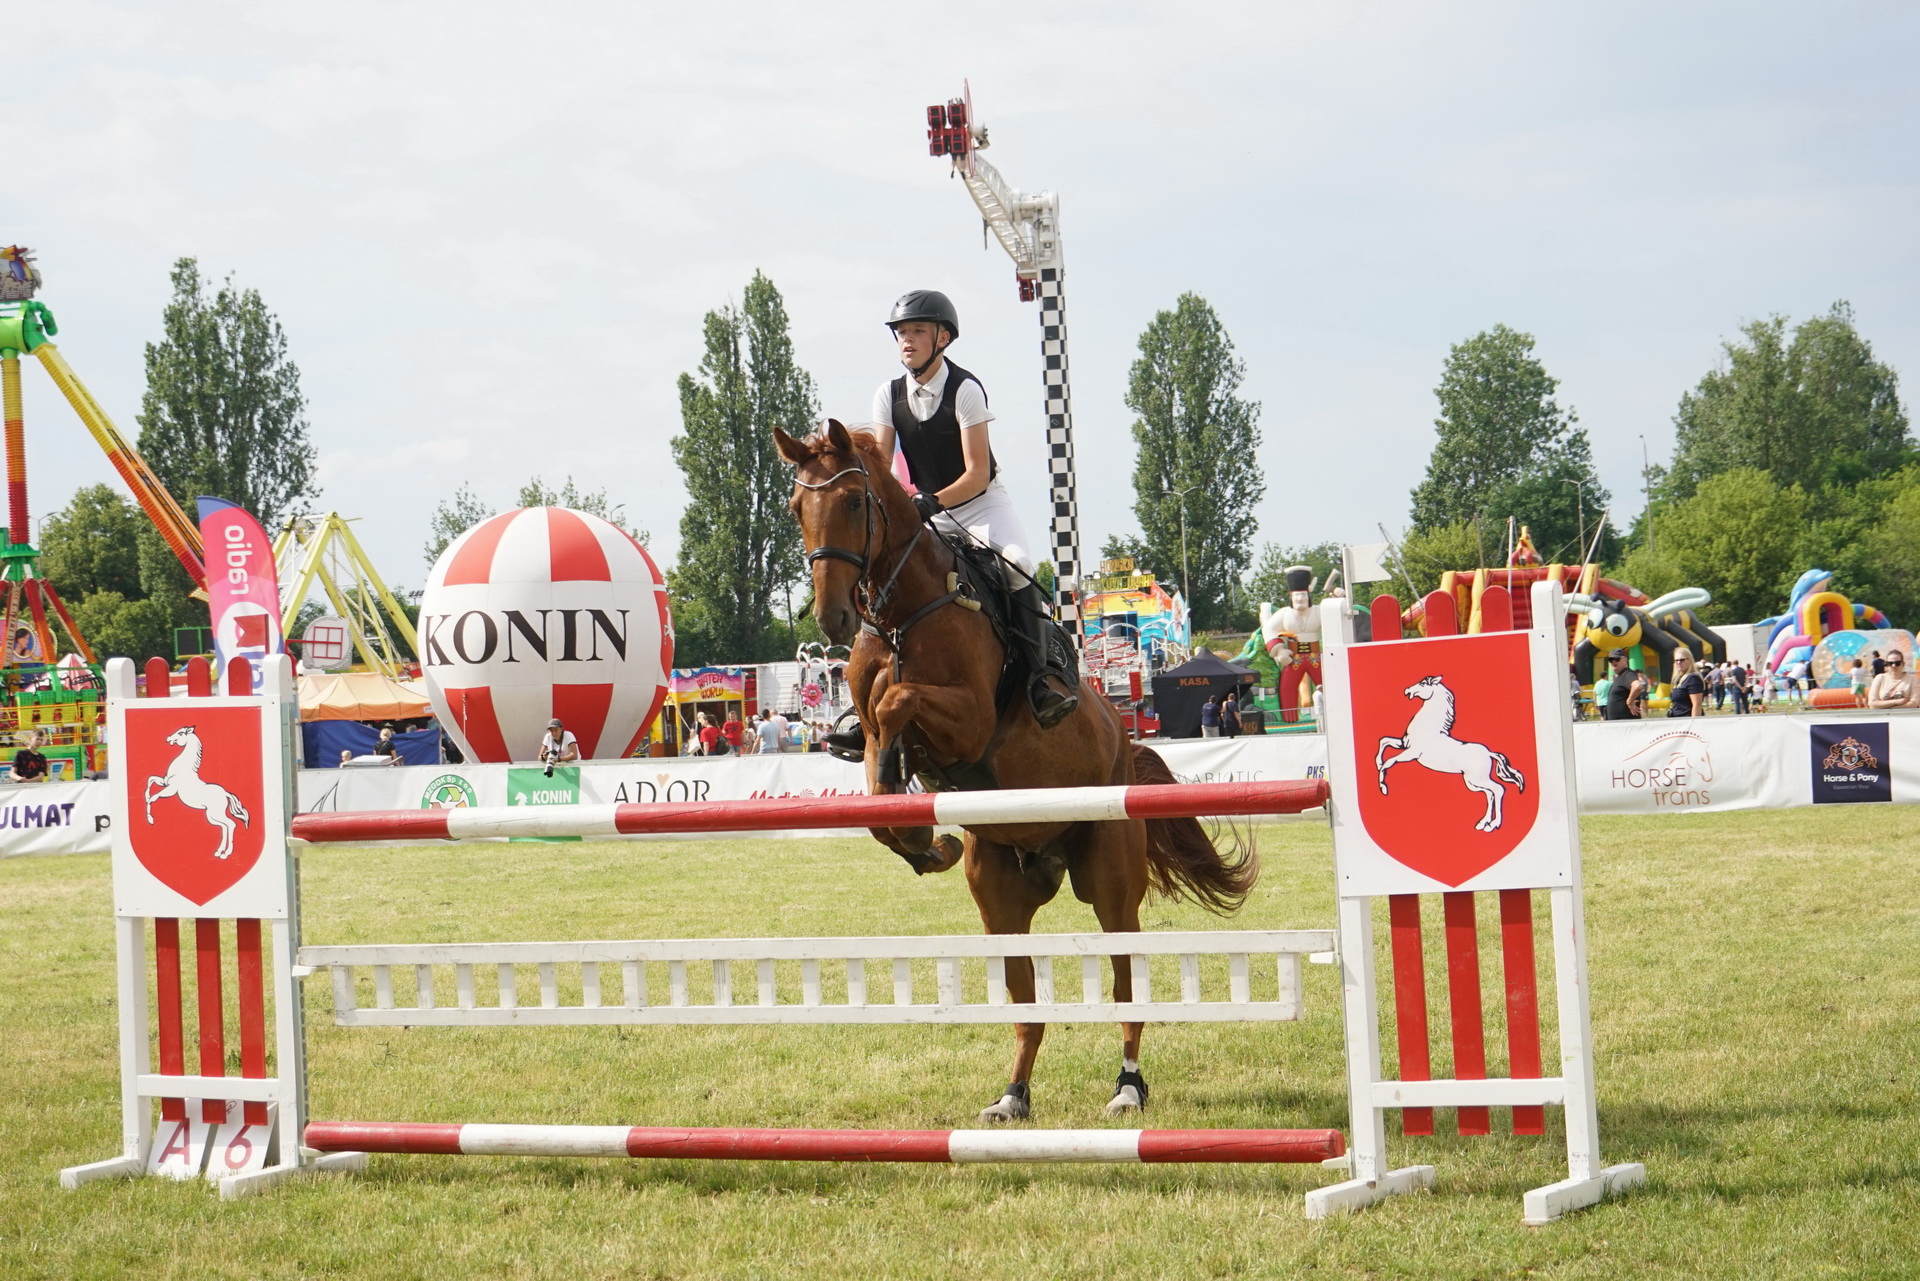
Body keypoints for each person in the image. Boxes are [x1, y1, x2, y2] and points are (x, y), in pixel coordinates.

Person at [868, 290, 1078, 729]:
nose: (906, 339)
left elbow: (978, 473)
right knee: (880, 575)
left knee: (1019, 565)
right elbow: (882, 469)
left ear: (942, 338)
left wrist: (930, 502)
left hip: (981, 506)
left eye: (917, 331)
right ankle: (862, 700)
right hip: (929, 514)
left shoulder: (965, 389)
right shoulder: (887, 395)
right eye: (901, 332)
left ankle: (1040, 678)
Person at [1602, 652, 1644, 721]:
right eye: (1611, 660)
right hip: (1617, 723)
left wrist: (1629, 701)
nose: (1614, 661)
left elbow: (1637, 686)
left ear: (1625, 660)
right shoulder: (1619, 676)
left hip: (1626, 723)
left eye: (1617, 659)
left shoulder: (1627, 674)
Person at [1666, 649, 1705, 718]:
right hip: (1677, 720)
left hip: (1687, 721)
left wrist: (1693, 722)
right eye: (1676, 660)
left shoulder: (1692, 678)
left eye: (1682, 660)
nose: (1678, 662)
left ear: (1690, 660)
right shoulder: (1679, 678)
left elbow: (1697, 704)